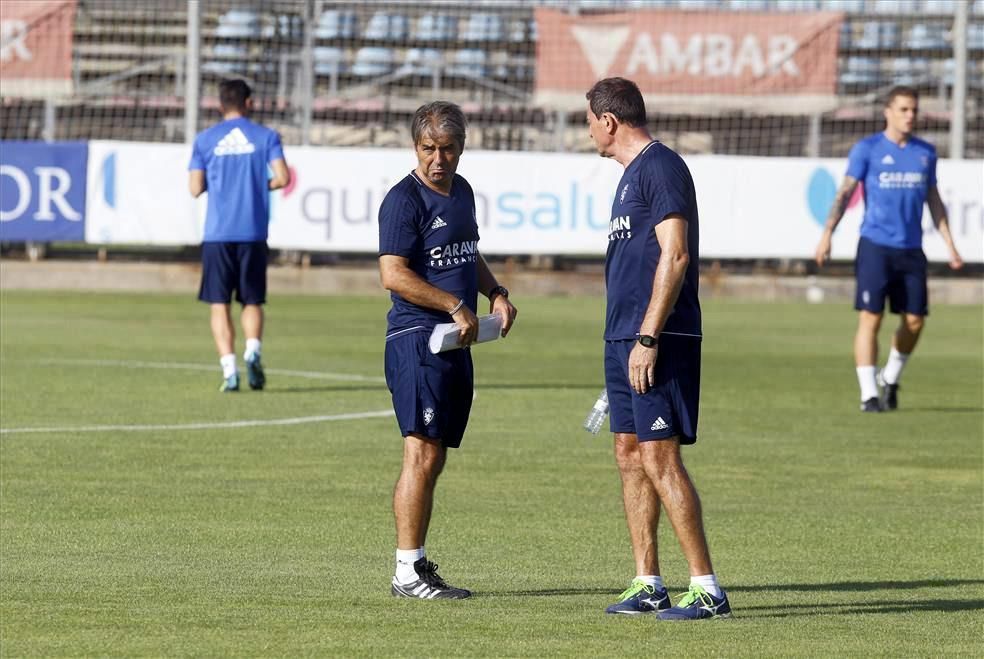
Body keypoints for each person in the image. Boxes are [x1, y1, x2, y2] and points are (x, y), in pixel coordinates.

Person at [585, 77, 731, 620]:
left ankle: (708, 589)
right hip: (623, 337)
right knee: (628, 452)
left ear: (609, 120)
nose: (589, 130)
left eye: (589, 120)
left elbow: (675, 256)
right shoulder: (627, 178)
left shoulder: (661, 166)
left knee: (658, 455)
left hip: (658, 336)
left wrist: (647, 336)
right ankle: (649, 582)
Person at [378, 101, 518, 599]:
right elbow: (393, 274)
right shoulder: (403, 201)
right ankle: (406, 572)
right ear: (415, 147)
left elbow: (467, 251)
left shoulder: (461, 192)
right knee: (420, 451)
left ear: (462, 147)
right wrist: (452, 302)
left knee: (434, 454)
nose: (438, 159)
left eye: (448, 149)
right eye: (428, 149)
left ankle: (415, 564)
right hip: (417, 338)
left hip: (456, 339)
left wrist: (495, 292)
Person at [814, 86, 963, 413]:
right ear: (888, 111)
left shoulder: (925, 152)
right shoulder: (867, 149)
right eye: (904, 109)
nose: (910, 115)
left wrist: (951, 244)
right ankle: (869, 394)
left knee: (915, 321)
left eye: (914, 110)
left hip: (911, 249)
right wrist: (827, 234)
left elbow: (934, 200)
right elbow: (844, 193)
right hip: (875, 246)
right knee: (871, 316)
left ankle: (891, 377)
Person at [188, 79, 290, 392]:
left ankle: (229, 370)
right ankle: (253, 350)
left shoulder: (205, 140)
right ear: (249, 103)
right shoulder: (266, 136)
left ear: (220, 105)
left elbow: (194, 188)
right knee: (252, 300)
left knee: (219, 303)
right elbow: (283, 177)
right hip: (252, 233)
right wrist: (259, 185)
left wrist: (217, 185)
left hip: (218, 234)